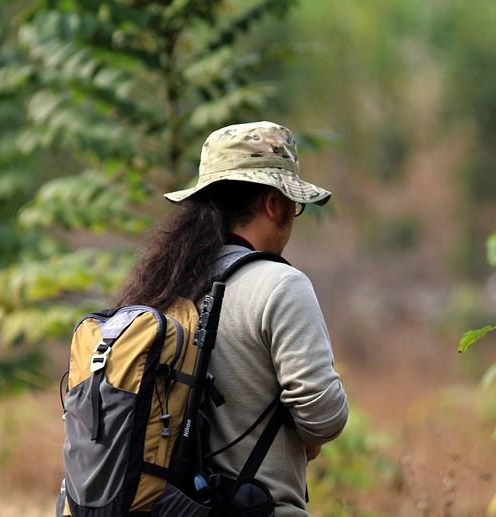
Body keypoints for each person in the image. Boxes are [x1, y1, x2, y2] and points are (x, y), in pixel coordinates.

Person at [117, 121, 349, 516]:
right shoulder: (280, 284)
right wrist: (306, 432)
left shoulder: (164, 282)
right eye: (294, 205)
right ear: (273, 204)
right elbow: (323, 416)